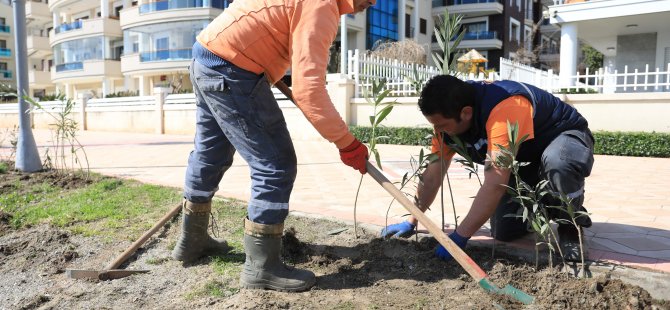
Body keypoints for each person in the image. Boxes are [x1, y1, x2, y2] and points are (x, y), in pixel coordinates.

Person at [171, 0, 376, 292]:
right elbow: (309, 90)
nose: (375, 3)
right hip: (233, 70)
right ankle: (262, 268)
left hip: (207, 58)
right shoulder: (322, 6)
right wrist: (347, 143)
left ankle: (192, 241)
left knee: (210, 153)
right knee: (276, 165)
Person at [381, 75, 594, 262]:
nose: (437, 132)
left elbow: (495, 182)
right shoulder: (447, 124)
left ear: (465, 113)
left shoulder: (504, 107)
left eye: (442, 125)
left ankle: (569, 223)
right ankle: (545, 206)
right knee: (504, 230)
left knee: (558, 163)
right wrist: (412, 220)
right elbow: (432, 175)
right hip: (524, 157)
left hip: (562, 137)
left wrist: (460, 237)